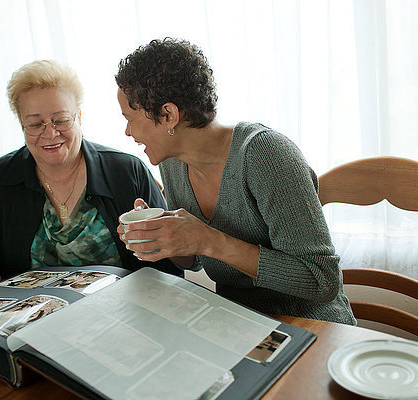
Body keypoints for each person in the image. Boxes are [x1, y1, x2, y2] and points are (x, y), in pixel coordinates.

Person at [115, 38, 355, 324]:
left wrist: (208, 240)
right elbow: (194, 261)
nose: (128, 132)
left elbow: (321, 281)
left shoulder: (265, 155)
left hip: (311, 327)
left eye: (129, 118)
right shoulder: (173, 163)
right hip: (241, 326)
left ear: (168, 115)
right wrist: (165, 235)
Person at [0, 60, 179, 298]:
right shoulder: (1, 178)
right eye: (35, 124)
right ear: (22, 125)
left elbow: (168, 265)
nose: (50, 133)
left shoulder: (126, 172)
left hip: (120, 318)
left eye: (61, 120)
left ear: (79, 117)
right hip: (29, 322)